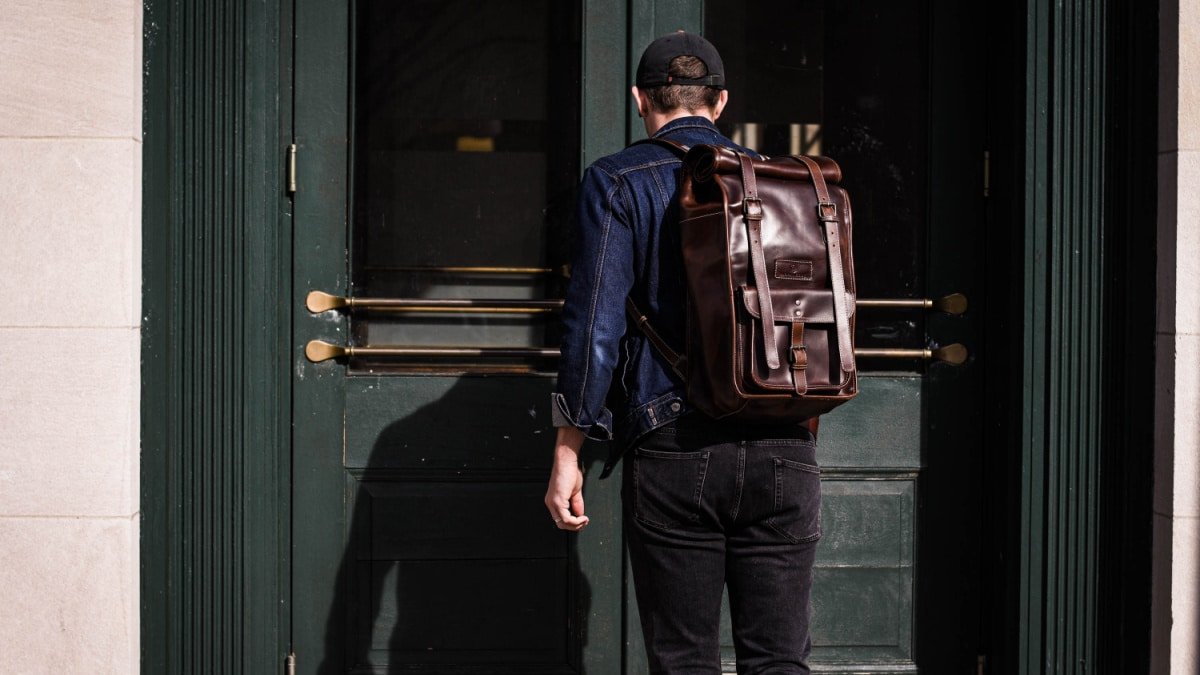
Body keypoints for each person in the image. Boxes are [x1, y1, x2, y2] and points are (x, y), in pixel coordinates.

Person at [544, 32, 822, 675]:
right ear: (720, 103)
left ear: (641, 99)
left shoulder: (616, 182)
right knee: (779, 661)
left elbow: (594, 327)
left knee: (685, 661)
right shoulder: (783, 180)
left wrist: (568, 449)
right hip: (785, 440)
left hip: (675, 444)